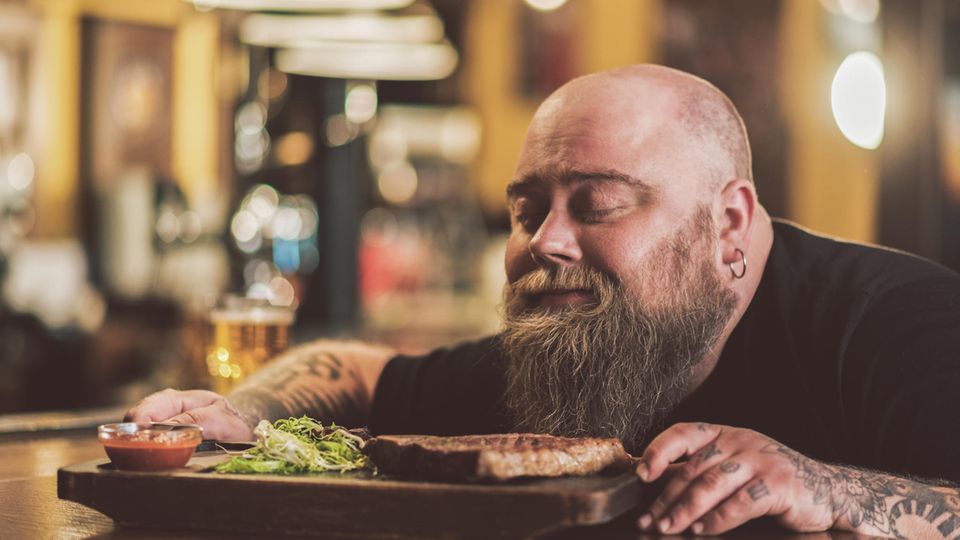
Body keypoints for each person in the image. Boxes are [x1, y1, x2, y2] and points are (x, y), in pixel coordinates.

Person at [126, 65, 960, 538]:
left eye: (599, 204)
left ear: (730, 223)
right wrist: (245, 410)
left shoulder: (900, 326)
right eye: (526, 211)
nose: (546, 242)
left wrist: (830, 489)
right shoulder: (578, 343)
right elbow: (353, 370)